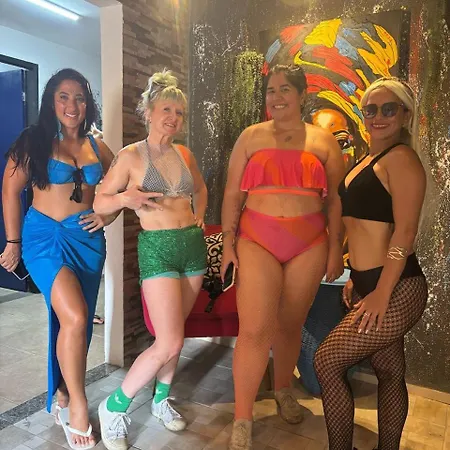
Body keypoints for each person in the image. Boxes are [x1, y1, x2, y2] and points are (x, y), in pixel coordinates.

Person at [220, 64, 345, 450]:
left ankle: (283, 389)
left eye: (285, 89)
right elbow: (232, 194)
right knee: (255, 329)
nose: (276, 97)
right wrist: (228, 243)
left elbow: (336, 201)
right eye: (271, 90)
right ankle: (243, 416)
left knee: (291, 325)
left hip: (309, 243)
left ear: (302, 95)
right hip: (257, 239)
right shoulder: (250, 137)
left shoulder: (324, 141)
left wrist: (336, 249)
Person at [1, 68, 116, 449]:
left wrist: (108, 215)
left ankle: (64, 390)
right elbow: (10, 190)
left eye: (79, 97)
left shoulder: (98, 146)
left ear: (88, 104)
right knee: (77, 316)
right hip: (44, 239)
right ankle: (78, 406)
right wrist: (13, 242)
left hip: (87, 242)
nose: (72, 105)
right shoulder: (34, 140)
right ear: (51, 101)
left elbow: (121, 186)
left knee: (77, 324)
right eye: (63, 96)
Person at [94, 70, 208, 450]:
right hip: (157, 247)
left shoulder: (184, 154)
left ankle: (161, 400)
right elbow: (100, 202)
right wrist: (126, 199)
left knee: (173, 338)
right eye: (166, 109)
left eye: (179, 112)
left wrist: (200, 217)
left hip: (191, 247)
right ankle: (114, 406)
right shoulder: (130, 156)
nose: (173, 117)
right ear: (149, 112)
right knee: (169, 341)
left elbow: (201, 188)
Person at [314, 77, 428, 450]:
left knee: (327, 361)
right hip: (368, 281)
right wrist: (357, 277)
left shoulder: (402, 159)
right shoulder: (368, 159)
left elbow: (404, 233)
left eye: (388, 109)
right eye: (371, 110)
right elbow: (362, 227)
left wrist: (381, 292)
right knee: (389, 369)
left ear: (405, 114)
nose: (378, 117)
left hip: (397, 285)